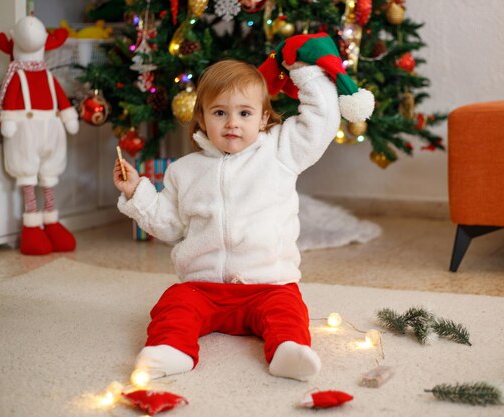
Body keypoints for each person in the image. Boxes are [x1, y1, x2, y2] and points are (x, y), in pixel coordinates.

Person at [113, 57, 340, 382]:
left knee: (287, 311)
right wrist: (137, 192)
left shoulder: (280, 153)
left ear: (263, 118)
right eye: (220, 112)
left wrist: (305, 72)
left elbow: (322, 121)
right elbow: (168, 224)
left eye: (244, 113)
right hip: (203, 287)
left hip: (268, 284)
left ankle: (287, 349)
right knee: (174, 304)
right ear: (202, 118)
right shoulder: (184, 170)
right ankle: (171, 349)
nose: (232, 123)